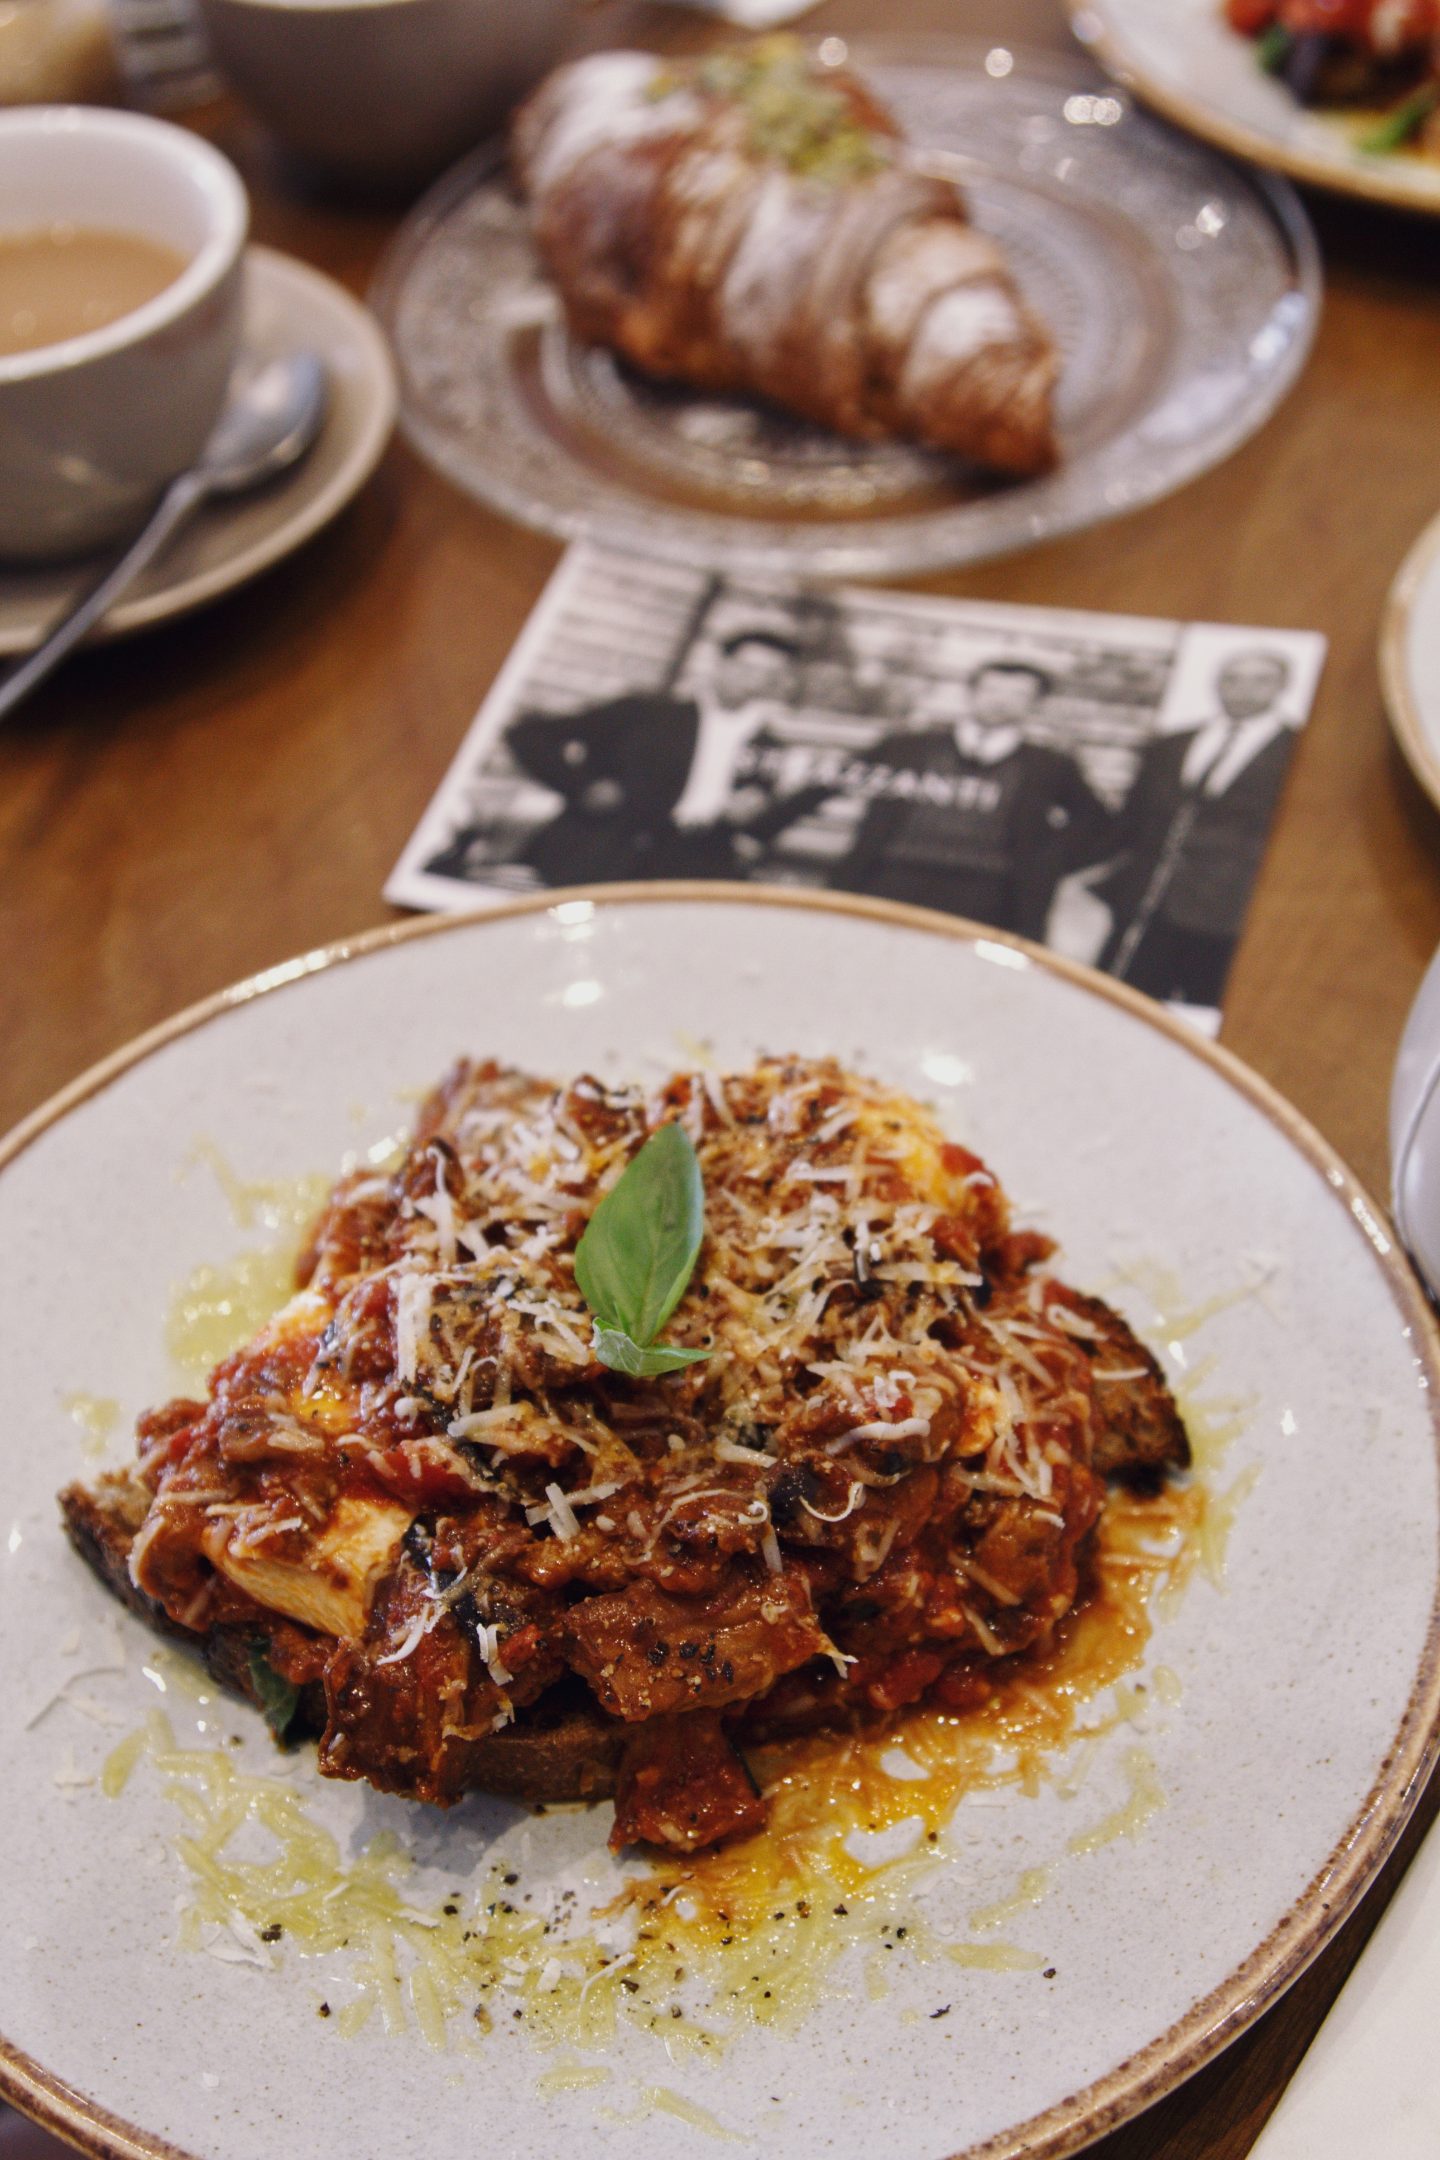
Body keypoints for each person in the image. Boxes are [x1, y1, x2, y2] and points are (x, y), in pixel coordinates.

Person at [424, 628, 810, 888]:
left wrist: (753, 809)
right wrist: (583, 787)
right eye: (746, 666)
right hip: (602, 851)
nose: (752, 679)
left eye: (768, 673)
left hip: (687, 867)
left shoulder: (770, 745)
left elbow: (756, 817)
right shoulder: (648, 713)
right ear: (720, 664)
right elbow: (531, 734)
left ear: (777, 682)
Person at [830, 658, 1113, 941]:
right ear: (971, 693)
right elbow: (828, 783)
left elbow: (1096, 824)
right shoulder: (907, 747)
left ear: (1037, 704)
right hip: (891, 880)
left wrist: (1045, 861)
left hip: (987, 896)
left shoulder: (1050, 765)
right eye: (991, 690)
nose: (1001, 702)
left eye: (1018, 695)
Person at [1097, 647, 1301, 1009]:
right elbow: (1133, 821)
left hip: (1229, 919)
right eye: (1232, 679)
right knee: (1121, 1007)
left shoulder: (1299, 753)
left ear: (1283, 686)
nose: (1243, 690)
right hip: (1149, 908)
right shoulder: (1171, 744)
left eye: (1260, 681)